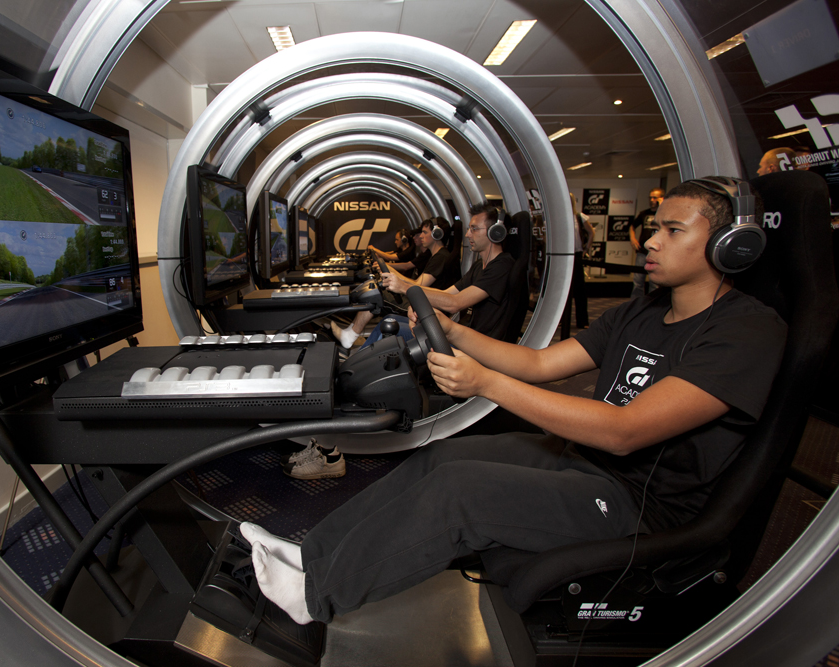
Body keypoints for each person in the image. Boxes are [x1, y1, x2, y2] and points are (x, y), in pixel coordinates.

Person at [242, 176, 788, 626]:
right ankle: (311, 553)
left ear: (731, 245)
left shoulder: (746, 332)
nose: (650, 241)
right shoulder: (642, 310)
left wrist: (484, 384)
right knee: (440, 457)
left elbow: (627, 430)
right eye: (654, 228)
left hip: (642, 506)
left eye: (672, 230)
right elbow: (541, 364)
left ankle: (314, 598)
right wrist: (454, 333)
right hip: (585, 464)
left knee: (462, 492)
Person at [357, 203, 516, 346]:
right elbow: (446, 293)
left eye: (474, 229)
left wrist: (406, 288)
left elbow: (455, 303)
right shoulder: (479, 266)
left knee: (394, 330)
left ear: (496, 233)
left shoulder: (501, 267)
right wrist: (418, 303)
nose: (468, 234)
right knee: (389, 321)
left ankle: (351, 373)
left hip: (477, 345)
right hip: (466, 335)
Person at [331, 217, 460, 348]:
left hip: (426, 307)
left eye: (425, 232)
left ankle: (350, 335)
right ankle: (351, 333)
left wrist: (393, 274)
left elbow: (419, 285)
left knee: (376, 295)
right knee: (377, 292)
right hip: (421, 302)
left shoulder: (440, 257)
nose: (420, 236)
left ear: (437, 235)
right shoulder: (432, 256)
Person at [629, 188, 664, 299]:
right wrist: (633, 239)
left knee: (655, 282)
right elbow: (632, 226)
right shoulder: (644, 213)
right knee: (638, 281)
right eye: (650, 197)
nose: (652, 200)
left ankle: (652, 305)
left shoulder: (663, 214)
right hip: (642, 251)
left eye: (655, 197)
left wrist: (662, 206)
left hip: (657, 252)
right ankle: (635, 304)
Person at [569, 193, 595, 329]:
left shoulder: (579, 217)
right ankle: (561, 320)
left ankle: (582, 321)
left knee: (579, 290)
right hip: (562, 257)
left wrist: (586, 248)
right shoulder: (558, 217)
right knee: (563, 292)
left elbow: (591, 232)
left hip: (576, 254)